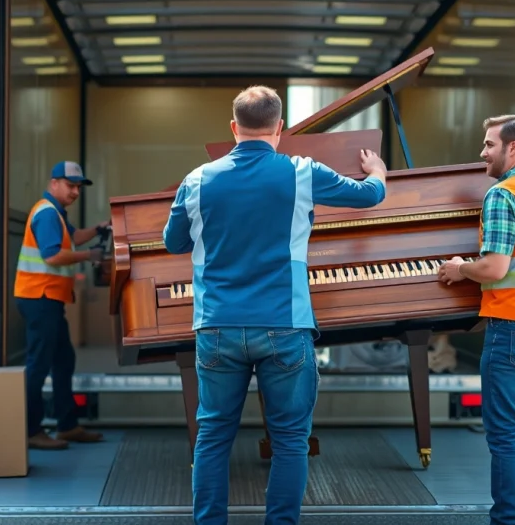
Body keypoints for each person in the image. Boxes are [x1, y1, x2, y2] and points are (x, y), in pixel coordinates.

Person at [162, 85, 388, 525]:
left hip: (217, 328)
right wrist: (377, 171)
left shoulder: (197, 180)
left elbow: (174, 242)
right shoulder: (302, 172)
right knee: (289, 441)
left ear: (233, 128)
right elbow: (369, 197)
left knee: (212, 438)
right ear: (279, 128)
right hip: (285, 327)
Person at [437, 115, 515, 525]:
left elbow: (494, 268)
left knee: (506, 435)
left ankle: (506, 520)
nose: (482, 152)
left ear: (513, 149)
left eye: (489, 144)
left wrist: (460, 268)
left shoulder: (504, 195)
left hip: (513, 327)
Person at [14, 160, 110, 450]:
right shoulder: (46, 214)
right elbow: (53, 255)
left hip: (48, 298)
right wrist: (89, 256)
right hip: (39, 297)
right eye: (70, 186)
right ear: (53, 183)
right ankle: (32, 430)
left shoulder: (55, 213)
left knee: (63, 360)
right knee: (39, 365)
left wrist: (98, 228)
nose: (75, 192)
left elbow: (72, 237)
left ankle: (67, 426)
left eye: (79, 187)